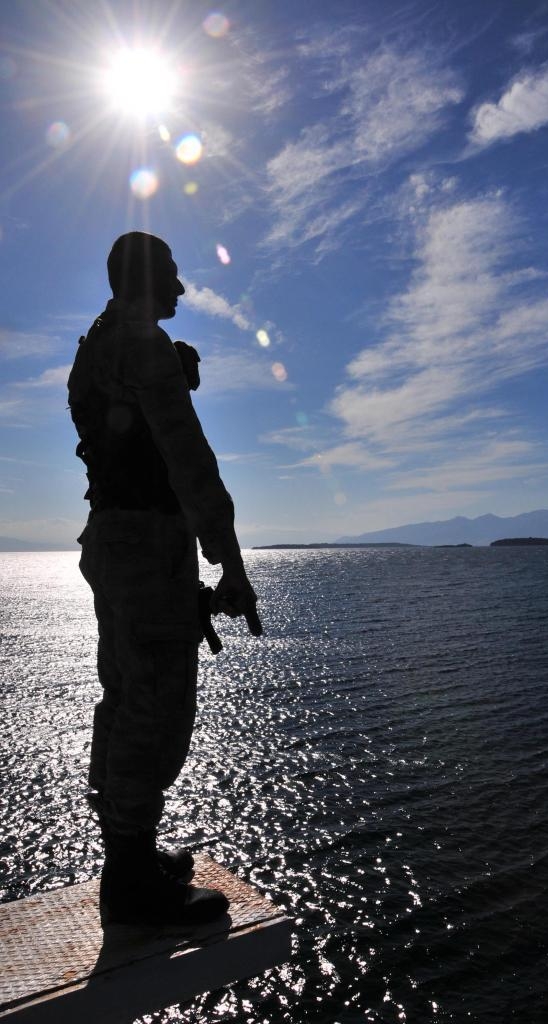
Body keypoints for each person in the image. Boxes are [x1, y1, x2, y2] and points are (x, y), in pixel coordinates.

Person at [68, 231, 260, 927]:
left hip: (113, 540)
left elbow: (116, 421)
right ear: (146, 280)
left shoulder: (98, 342)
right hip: (148, 547)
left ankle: (130, 854)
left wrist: (170, 363)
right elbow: (189, 460)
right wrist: (230, 562)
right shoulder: (142, 347)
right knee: (155, 708)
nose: (181, 288)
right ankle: (131, 884)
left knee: (124, 698)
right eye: (172, 276)